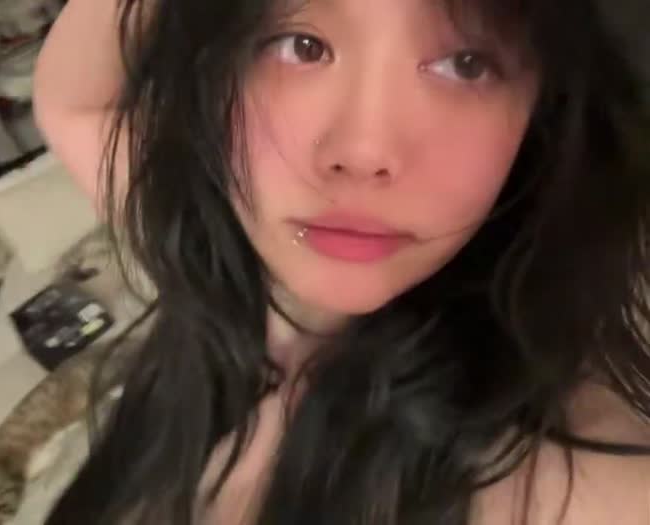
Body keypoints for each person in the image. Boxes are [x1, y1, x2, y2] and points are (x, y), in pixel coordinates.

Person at [33, 0, 650, 523]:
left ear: (542, 113)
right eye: (300, 46)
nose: (363, 153)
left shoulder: (567, 487)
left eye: (466, 64)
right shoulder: (218, 260)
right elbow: (74, 103)